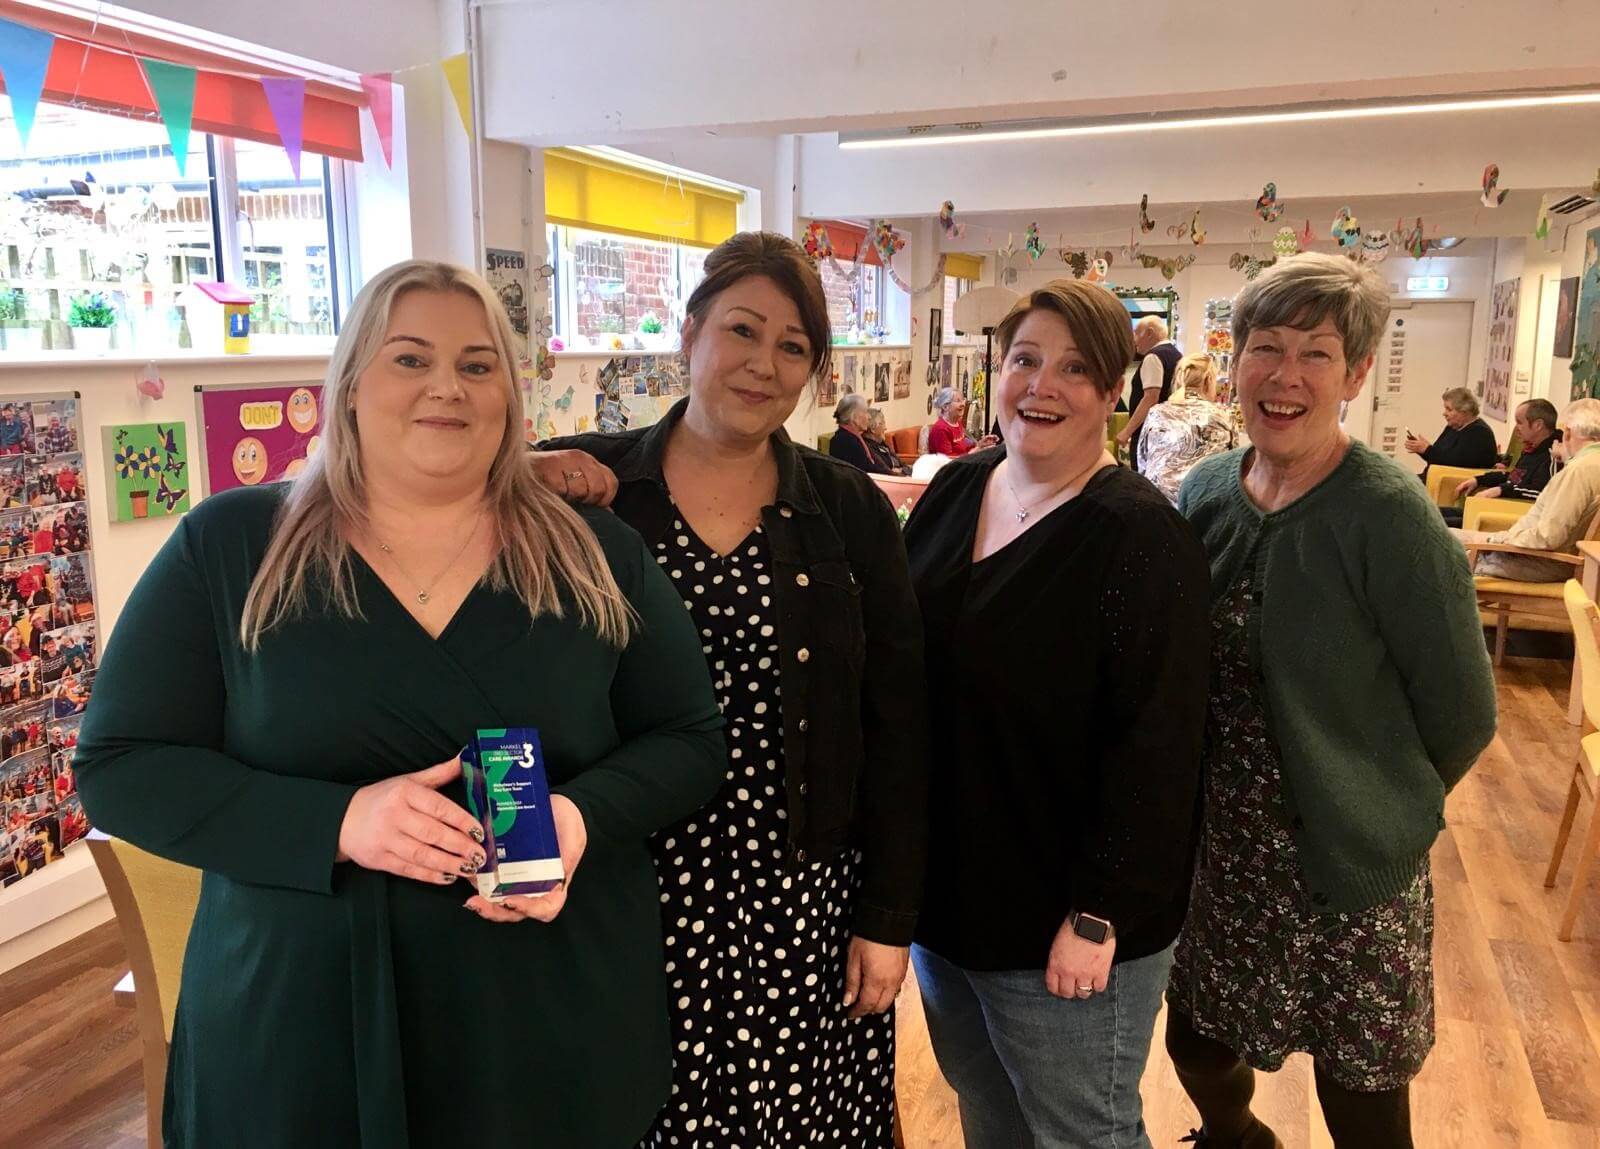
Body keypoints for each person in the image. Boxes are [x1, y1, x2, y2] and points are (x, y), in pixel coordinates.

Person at [72, 260, 727, 1149]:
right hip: (299, 1028)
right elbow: (121, 765)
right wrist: (338, 821)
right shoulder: (231, 549)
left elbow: (688, 737)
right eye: (410, 359)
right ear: (348, 386)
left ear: (508, 393)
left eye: (477, 363)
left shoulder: (593, 554)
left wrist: (578, 817)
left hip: (544, 1017)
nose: (447, 388)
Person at [533, 231, 927, 1148]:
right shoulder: (591, 489)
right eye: (742, 331)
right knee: (638, 1112)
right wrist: (515, 473)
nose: (763, 363)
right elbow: (401, 491)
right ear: (689, 336)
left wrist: (889, 917)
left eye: (793, 347)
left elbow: (900, 723)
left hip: (801, 886)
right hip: (626, 880)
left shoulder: (847, 507)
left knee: (795, 1122)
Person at [1168, 252, 1496, 1148]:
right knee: (1196, 1040)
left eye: (1315, 353)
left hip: (1351, 866)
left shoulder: (1390, 514)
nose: (1285, 374)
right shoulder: (1205, 492)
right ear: (1233, 362)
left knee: (1362, 1092)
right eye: (1264, 347)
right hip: (1224, 855)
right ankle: (1237, 1138)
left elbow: (1466, 711)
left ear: (1354, 373)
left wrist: (1379, 805)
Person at [903, 280, 1210, 1147]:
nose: (1042, 384)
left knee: (1084, 1131)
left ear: (1116, 391)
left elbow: (1161, 748)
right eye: (1025, 359)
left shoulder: (1141, 538)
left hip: (1065, 927)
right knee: (987, 1108)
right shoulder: (959, 487)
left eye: (1076, 368)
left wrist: (1097, 914)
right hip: (950, 906)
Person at [1458, 397, 1600, 581]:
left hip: (1539, 562)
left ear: (1567, 434)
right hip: (1555, 559)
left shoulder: (1577, 471)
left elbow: (1548, 537)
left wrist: (1496, 541)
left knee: (1438, 539)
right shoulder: (1587, 465)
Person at [1135, 354, 1236, 504]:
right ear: (1209, 380)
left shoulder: (1157, 413)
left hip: (1157, 506)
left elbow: (1142, 462)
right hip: (1202, 507)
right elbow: (1232, 468)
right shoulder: (1222, 417)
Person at [1442, 398, 1561, 526]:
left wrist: (1500, 490)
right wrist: (1480, 480)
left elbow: (1541, 492)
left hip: (1512, 516)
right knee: (1434, 514)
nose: (1516, 429)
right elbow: (1513, 476)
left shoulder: (1553, 456)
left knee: (1438, 524)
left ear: (1538, 425)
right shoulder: (1531, 448)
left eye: (1520, 423)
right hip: (1495, 507)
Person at [1117, 315, 1182, 471]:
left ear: (1150, 333)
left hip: (1149, 435)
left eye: (1136, 333)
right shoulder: (1177, 355)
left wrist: (1127, 432)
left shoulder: (1153, 357)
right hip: (1168, 432)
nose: (1134, 340)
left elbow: (1151, 398)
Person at [1404, 386, 1498, 476]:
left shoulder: (1480, 433)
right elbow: (1438, 457)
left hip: (1450, 482)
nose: (1444, 413)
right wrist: (1422, 450)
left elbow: (1454, 464)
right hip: (1433, 477)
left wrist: (1427, 450)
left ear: (1464, 411)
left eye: (1449, 409)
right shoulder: (1452, 427)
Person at [828, 391, 890, 473]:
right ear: (854, 417)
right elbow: (869, 470)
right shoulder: (845, 441)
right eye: (866, 412)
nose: (869, 417)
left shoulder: (852, 437)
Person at [927, 387, 997, 457]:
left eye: (962, 400)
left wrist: (980, 444)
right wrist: (976, 450)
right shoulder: (941, 429)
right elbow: (948, 462)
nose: (963, 404)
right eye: (958, 401)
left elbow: (964, 449)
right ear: (945, 407)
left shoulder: (957, 423)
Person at [865, 408, 912, 476]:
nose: (886, 428)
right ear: (873, 429)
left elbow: (903, 464)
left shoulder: (882, 444)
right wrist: (899, 472)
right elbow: (887, 472)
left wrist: (903, 470)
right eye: (883, 423)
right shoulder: (869, 448)